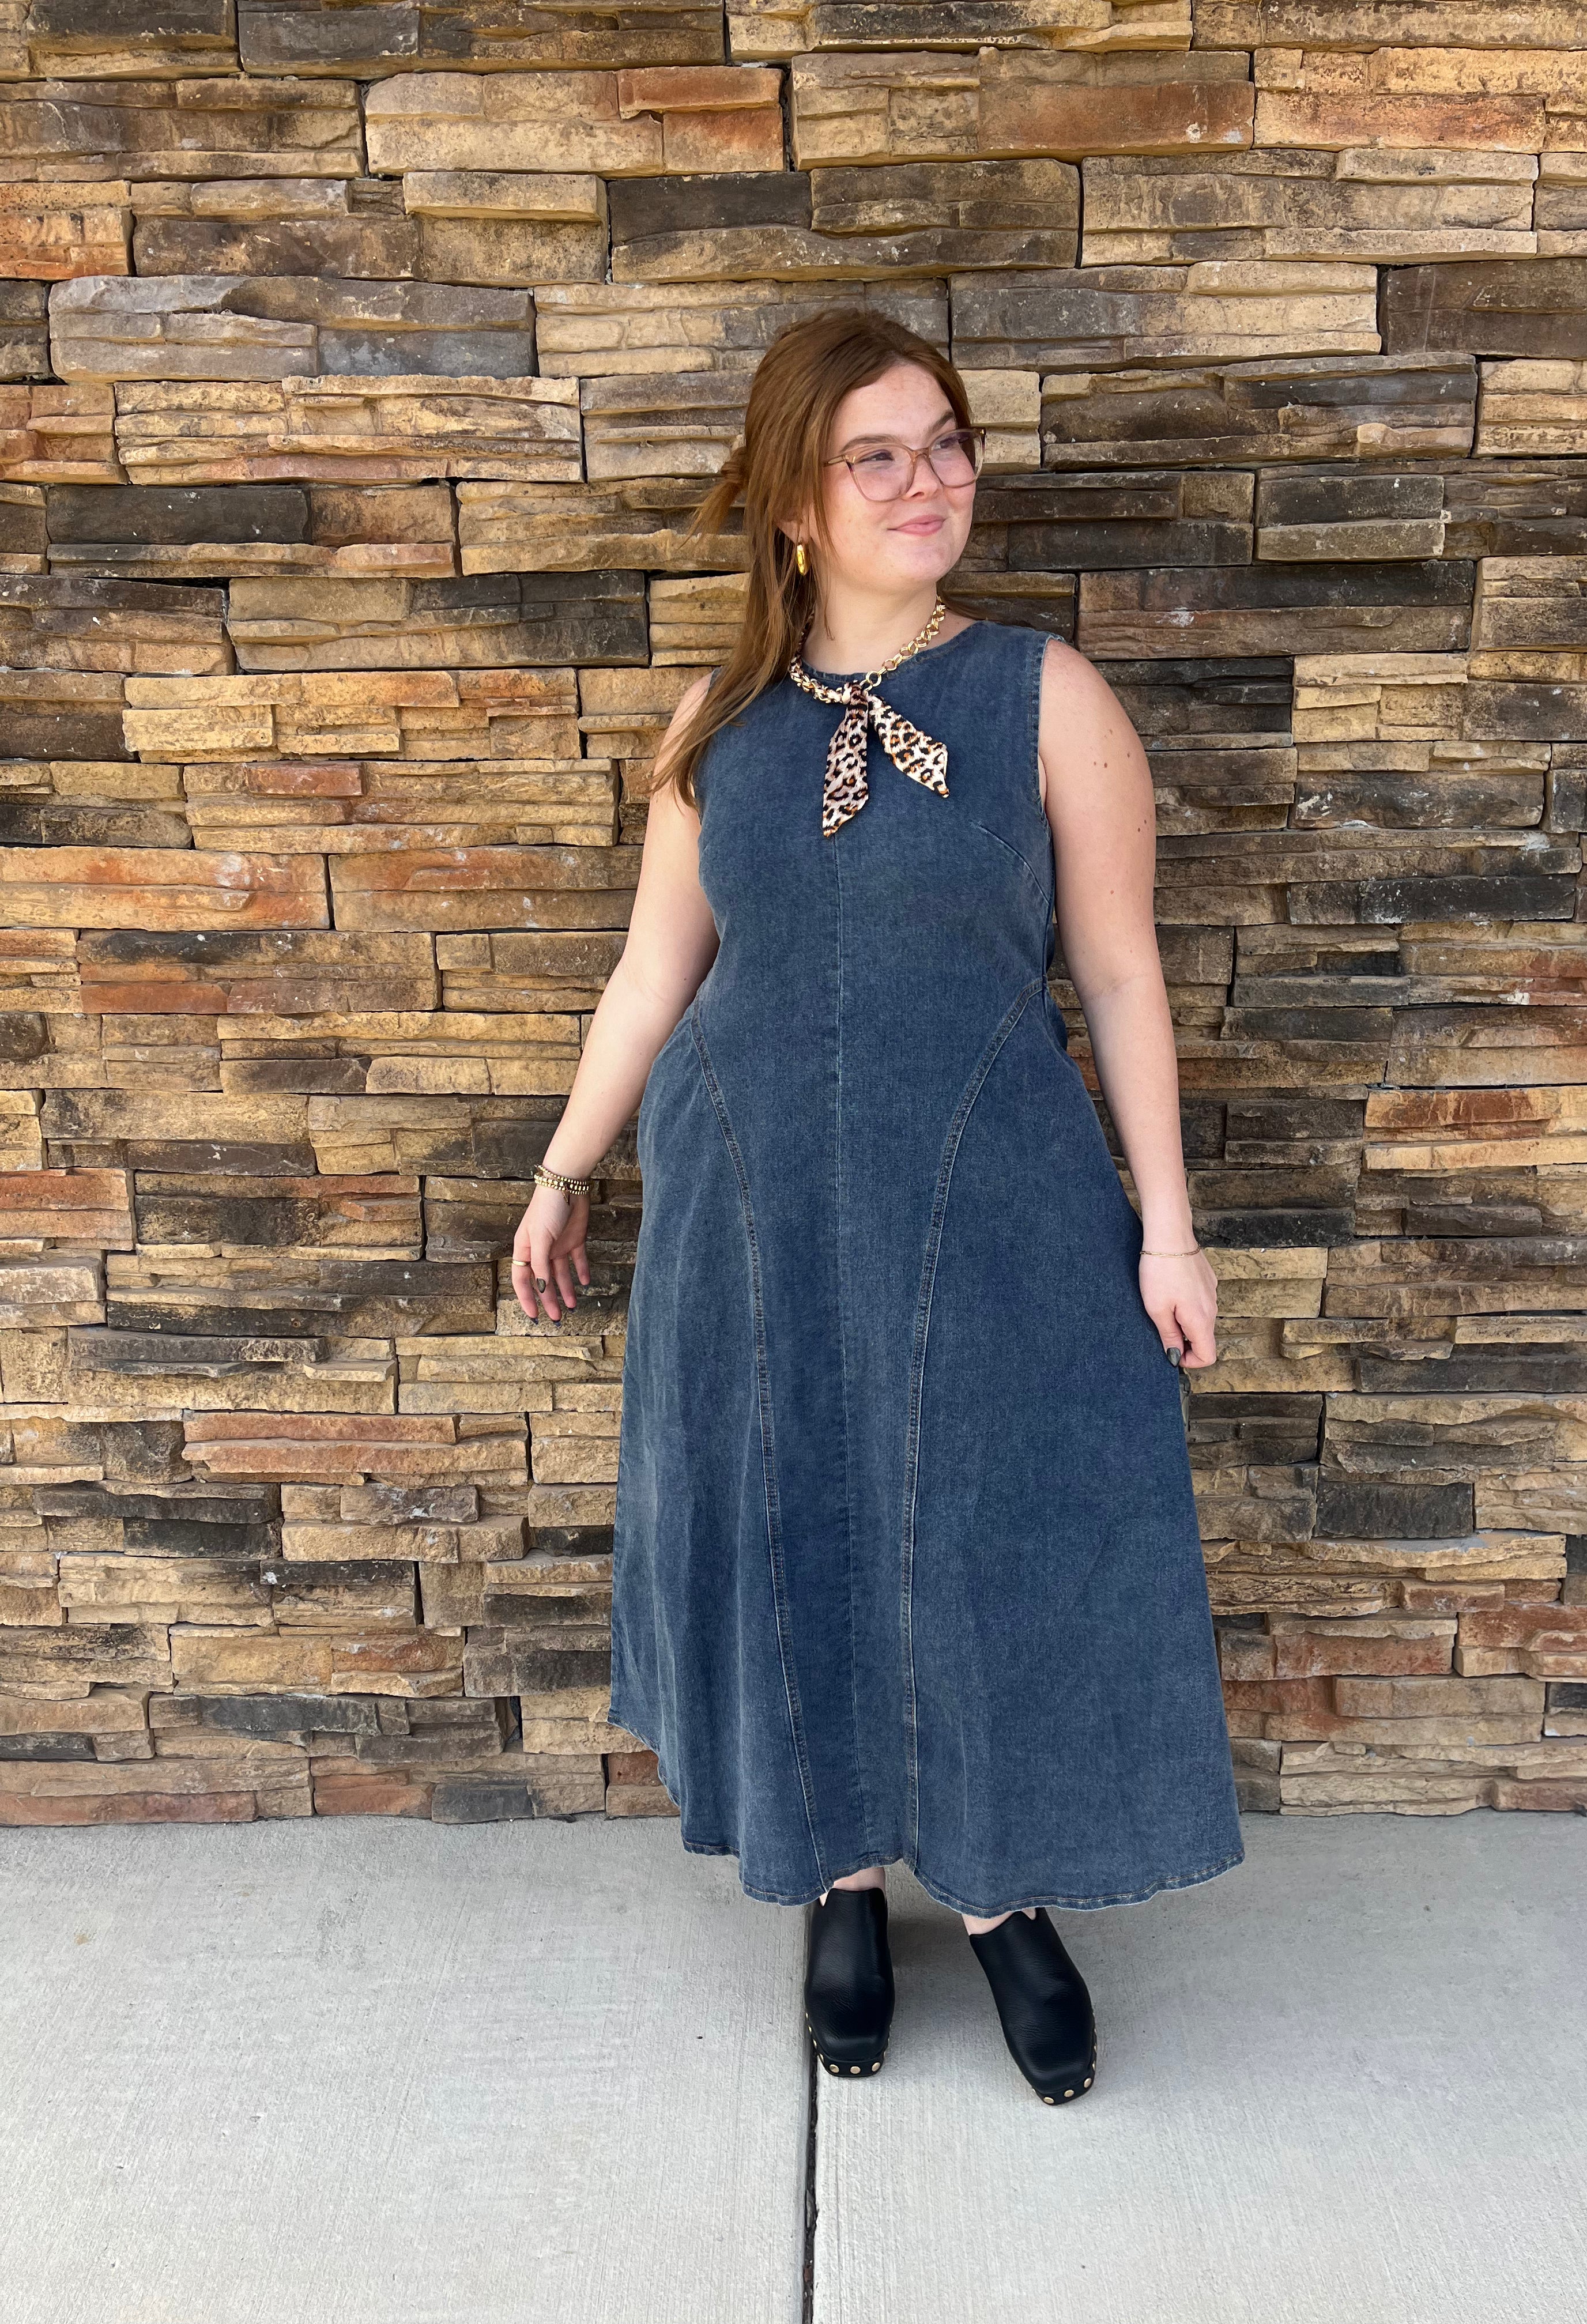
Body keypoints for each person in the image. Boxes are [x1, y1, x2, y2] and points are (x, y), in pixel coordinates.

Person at [508, 307, 1244, 2108]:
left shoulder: (1046, 697)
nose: (931, 483)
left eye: (947, 444)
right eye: (879, 457)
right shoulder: (716, 727)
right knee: (789, 1524)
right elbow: (653, 977)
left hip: (993, 1199)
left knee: (989, 1532)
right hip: (750, 1205)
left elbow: (1122, 975)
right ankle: (837, 1879)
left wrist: (1168, 1226)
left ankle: (996, 1894)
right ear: (794, 504)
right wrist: (562, 1169)